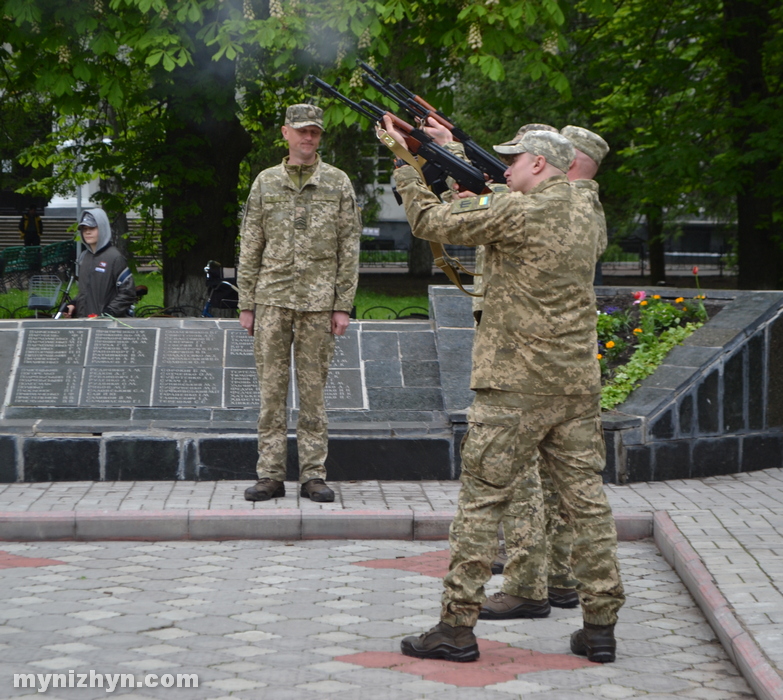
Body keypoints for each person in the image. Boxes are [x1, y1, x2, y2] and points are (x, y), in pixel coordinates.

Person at [382, 116, 624, 664]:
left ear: (539, 164)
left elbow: (428, 221)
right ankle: (601, 626)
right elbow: (503, 195)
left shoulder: (516, 211)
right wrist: (448, 149)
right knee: (587, 505)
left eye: (514, 159)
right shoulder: (587, 209)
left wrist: (405, 163)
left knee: (481, 504)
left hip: (512, 387)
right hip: (575, 387)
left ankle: (456, 628)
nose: (507, 167)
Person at [482, 125, 612, 620]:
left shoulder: (566, 206)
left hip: (527, 364)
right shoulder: (583, 206)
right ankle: (557, 577)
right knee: (566, 489)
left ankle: (527, 580)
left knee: (525, 481)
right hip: (560, 367)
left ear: (570, 161)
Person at [238, 104, 361, 504]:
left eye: (315, 133)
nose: (309, 138)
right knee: (271, 392)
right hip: (272, 300)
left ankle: (313, 475)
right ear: (285, 133)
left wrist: (343, 304)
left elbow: (350, 247)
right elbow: (251, 243)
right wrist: (246, 303)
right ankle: (270, 475)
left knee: (313, 394)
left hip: (319, 303)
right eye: (302, 131)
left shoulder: (338, 183)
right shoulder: (265, 182)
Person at [62, 209, 136, 318]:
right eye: (84, 229)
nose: (87, 232)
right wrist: (74, 305)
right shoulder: (83, 257)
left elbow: (128, 292)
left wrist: (108, 313)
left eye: (92, 228)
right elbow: (86, 291)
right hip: (84, 323)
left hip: (106, 327)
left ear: (102, 229)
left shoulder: (115, 257)